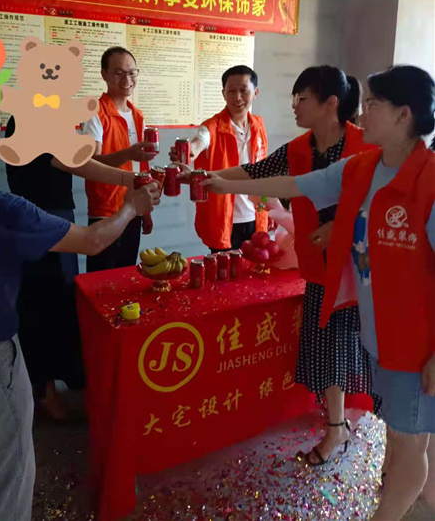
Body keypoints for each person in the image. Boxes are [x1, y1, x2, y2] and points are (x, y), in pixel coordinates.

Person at [203, 65, 435, 521]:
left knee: (411, 443)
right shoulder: (364, 167)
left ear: (404, 115)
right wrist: (222, 184)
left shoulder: (429, 181)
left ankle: (391, 510)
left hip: (415, 341)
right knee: (401, 433)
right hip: (378, 332)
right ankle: (409, 497)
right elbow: (294, 184)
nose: (362, 112)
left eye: (373, 104)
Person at [0, 80, 159, 521]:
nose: (0, 143)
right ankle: (51, 394)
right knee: (5, 481)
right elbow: (93, 239)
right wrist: (132, 206)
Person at [182, 66, 380, 466]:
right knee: (328, 345)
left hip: (360, 272)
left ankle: (350, 429)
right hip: (319, 266)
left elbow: (379, 203)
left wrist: (340, 227)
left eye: (301, 99)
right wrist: (209, 178)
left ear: (330, 103)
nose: (294, 106)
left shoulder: (365, 145)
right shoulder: (300, 148)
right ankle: (338, 423)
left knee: (354, 347)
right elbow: (260, 173)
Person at [4, 116, 137, 419]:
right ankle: (45, 393)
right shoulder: (31, 120)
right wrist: (127, 178)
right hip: (40, 219)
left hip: (55, 217)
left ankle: (55, 388)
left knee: (60, 301)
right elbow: (76, 163)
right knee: (44, 304)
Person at [170, 65, 269, 252]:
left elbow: (264, 173)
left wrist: (269, 210)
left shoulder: (259, 125)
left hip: (256, 215)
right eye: (231, 91)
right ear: (223, 93)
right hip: (223, 218)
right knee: (223, 268)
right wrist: (191, 151)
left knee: (256, 267)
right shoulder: (212, 126)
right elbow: (200, 141)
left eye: (243, 91)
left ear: (255, 93)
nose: (237, 97)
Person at [81, 46, 157, 272]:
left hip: (134, 208)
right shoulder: (94, 112)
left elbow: (141, 165)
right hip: (106, 212)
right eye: (118, 73)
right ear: (104, 74)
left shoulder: (137, 115)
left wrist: (146, 210)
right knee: (102, 277)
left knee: (127, 274)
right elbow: (90, 162)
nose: (127, 79)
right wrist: (128, 153)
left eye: (132, 72)